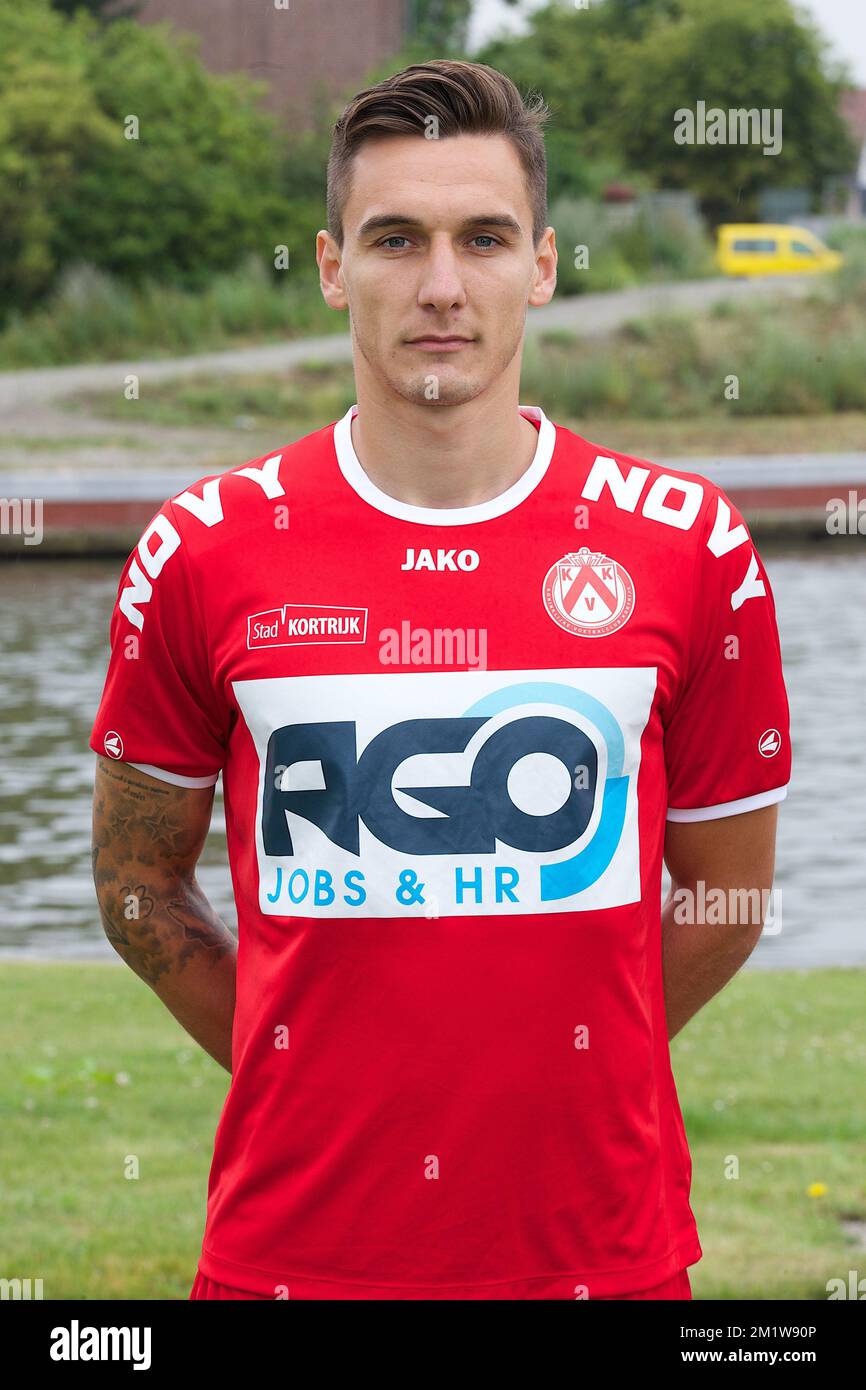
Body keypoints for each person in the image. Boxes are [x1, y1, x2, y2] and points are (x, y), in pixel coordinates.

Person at [90, 59, 791, 1301]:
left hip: (599, 1256)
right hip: (293, 1258)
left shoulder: (687, 544)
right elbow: (137, 881)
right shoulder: (203, 547)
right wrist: (295, 1062)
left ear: (542, 265)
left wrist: (574, 1066)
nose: (440, 287)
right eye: (394, 239)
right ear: (327, 266)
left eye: (483, 238)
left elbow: (726, 899)